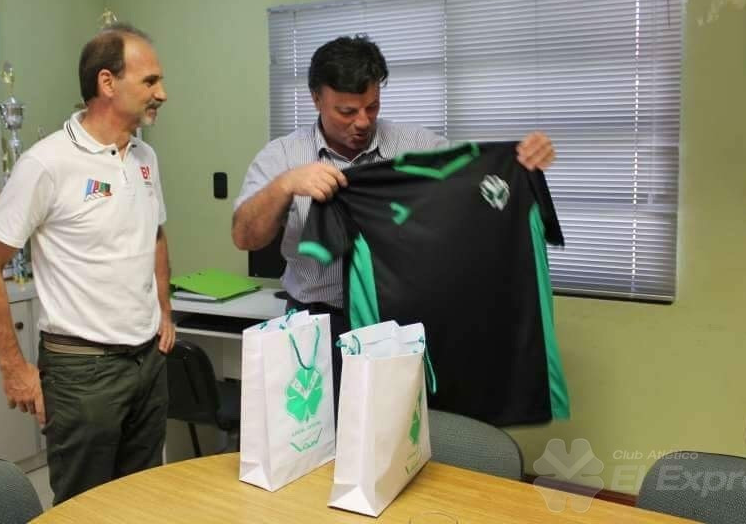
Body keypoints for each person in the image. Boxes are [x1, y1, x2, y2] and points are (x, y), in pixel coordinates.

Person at [231, 34, 555, 390]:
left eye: (372, 107)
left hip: (396, 327)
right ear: (316, 99)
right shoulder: (282, 156)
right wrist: (284, 185)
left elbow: (473, 183)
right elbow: (245, 237)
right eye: (347, 111)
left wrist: (521, 161)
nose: (362, 121)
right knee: (318, 421)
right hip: (317, 322)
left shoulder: (416, 147)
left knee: (398, 422)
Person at [0, 23, 173, 504]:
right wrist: (14, 368)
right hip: (83, 372)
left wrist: (164, 310)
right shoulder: (47, 163)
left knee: (143, 499)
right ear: (107, 83)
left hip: (147, 363)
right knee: (86, 507)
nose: (162, 94)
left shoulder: (145, 156)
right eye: (150, 81)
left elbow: (155, 234)